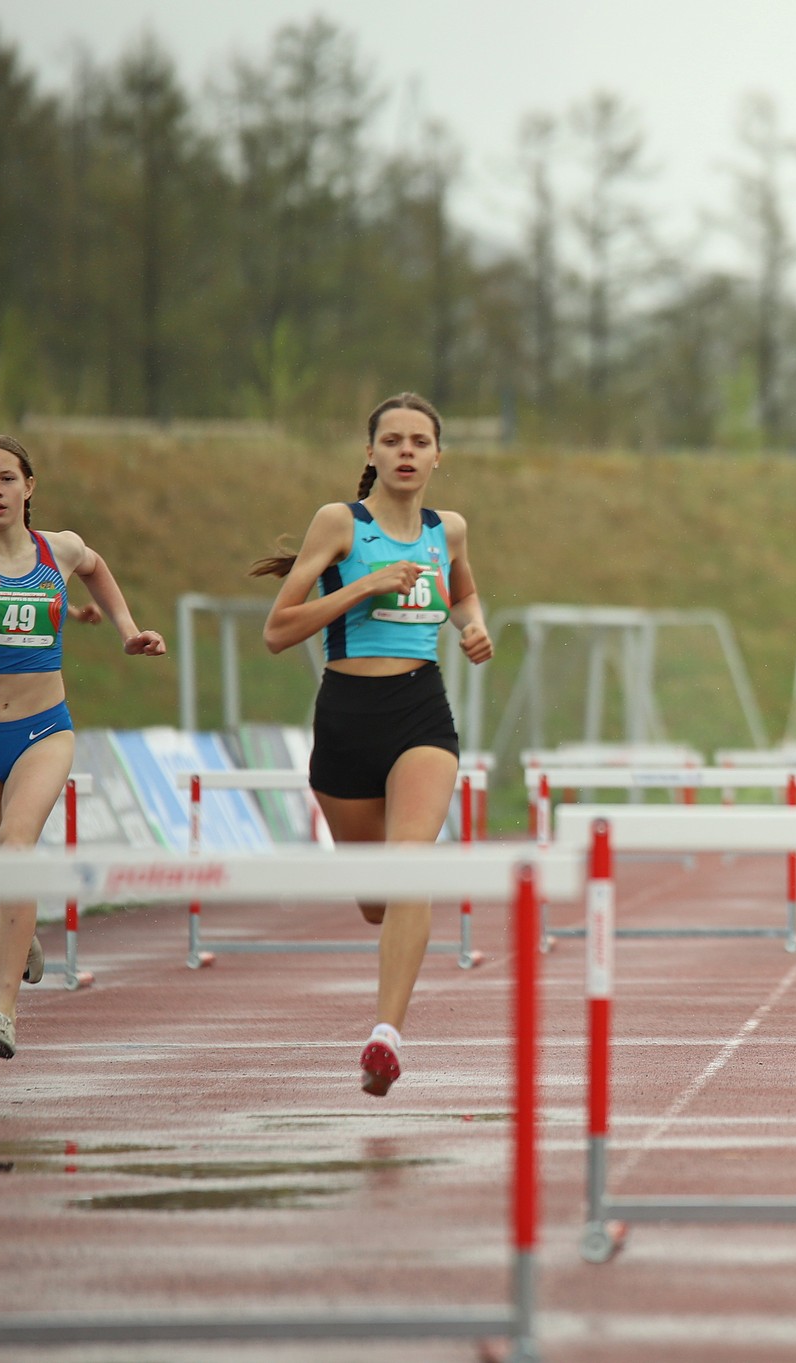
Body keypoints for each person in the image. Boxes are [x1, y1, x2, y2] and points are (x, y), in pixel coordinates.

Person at [252, 392, 493, 1096]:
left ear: (438, 456)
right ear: (371, 453)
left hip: (421, 710)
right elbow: (278, 629)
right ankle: (391, 907)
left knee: (411, 865)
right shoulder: (340, 523)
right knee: (375, 898)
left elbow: (467, 594)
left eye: (421, 441)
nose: (408, 451)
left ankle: (385, 1033)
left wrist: (472, 626)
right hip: (347, 716)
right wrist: (363, 589)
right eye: (393, 440)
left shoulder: (449, 530)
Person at [0, 436, 166, 1058]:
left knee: (16, 846)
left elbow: (96, 568)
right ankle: (18, 927)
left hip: (44, 729)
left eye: (6, 480)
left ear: (29, 487)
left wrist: (127, 631)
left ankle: (3, 1016)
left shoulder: (60, 549)